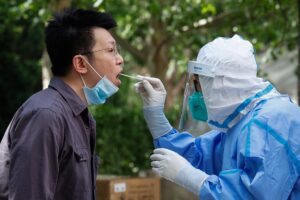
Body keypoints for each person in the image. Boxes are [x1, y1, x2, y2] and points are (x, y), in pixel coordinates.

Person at [135, 35, 300, 199]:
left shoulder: (271, 122)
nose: (196, 93)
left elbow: (256, 196)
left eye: (198, 84)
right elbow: (198, 157)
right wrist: (155, 115)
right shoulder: (241, 121)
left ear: (219, 84)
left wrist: (193, 178)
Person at [1, 8, 124, 200]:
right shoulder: (46, 115)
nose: (120, 59)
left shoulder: (81, 116)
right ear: (81, 64)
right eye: (110, 50)